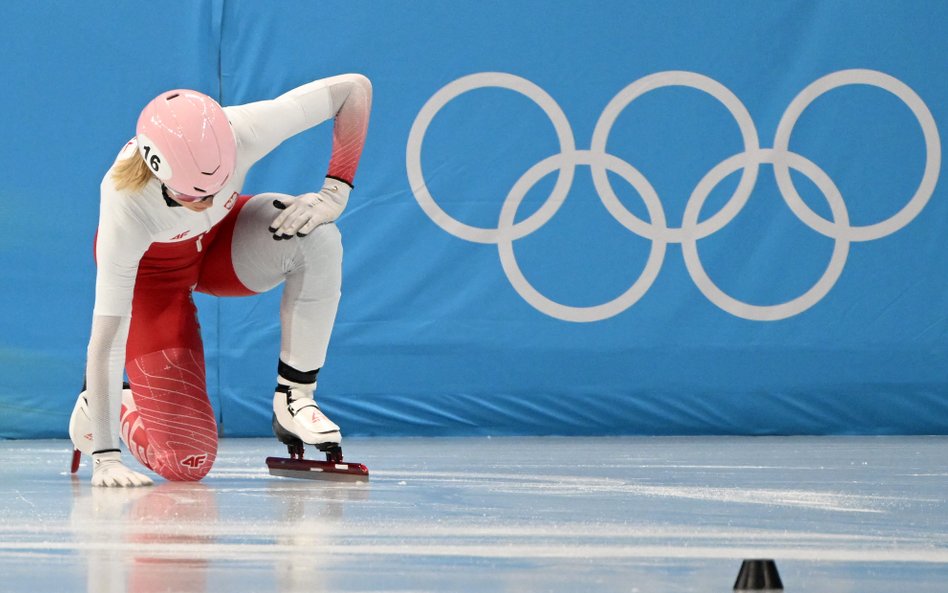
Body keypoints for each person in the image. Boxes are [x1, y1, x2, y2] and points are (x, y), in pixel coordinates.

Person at [68, 74, 372, 486]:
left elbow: (353, 89)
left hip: (218, 243)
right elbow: (106, 341)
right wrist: (105, 456)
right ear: (158, 175)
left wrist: (336, 190)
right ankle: (105, 403)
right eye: (194, 196)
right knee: (187, 462)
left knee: (316, 237)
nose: (207, 202)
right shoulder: (125, 204)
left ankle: (295, 398)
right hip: (152, 284)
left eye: (217, 185)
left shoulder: (242, 128)